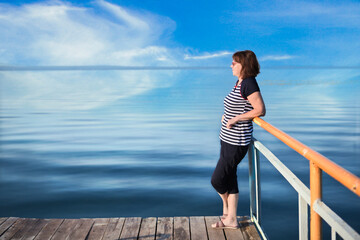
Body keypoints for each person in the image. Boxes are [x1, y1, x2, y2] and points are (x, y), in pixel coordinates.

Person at [211, 50, 266, 229]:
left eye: (234, 63)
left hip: (237, 141)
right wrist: (226, 115)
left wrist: (235, 118)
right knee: (230, 178)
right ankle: (231, 219)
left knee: (217, 180)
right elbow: (238, 105)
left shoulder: (249, 83)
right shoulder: (239, 82)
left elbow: (259, 110)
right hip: (227, 139)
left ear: (244, 65)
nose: (231, 66)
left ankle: (227, 210)